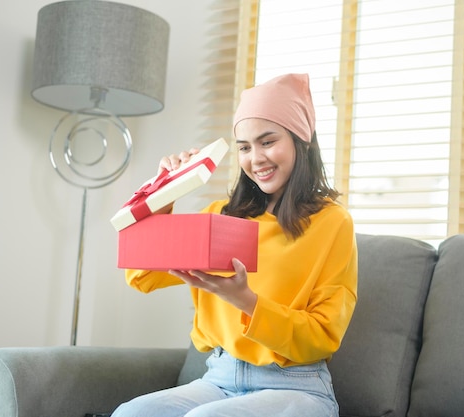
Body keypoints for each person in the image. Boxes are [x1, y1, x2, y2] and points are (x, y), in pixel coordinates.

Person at [112, 73, 358, 417]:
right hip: (219, 378)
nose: (255, 158)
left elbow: (321, 336)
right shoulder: (222, 217)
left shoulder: (331, 223)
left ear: (301, 141)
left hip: (297, 386)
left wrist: (243, 299)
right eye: (244, 147)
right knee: (131, 414)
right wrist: (165, 191)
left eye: (268, 141)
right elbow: (142, 277)